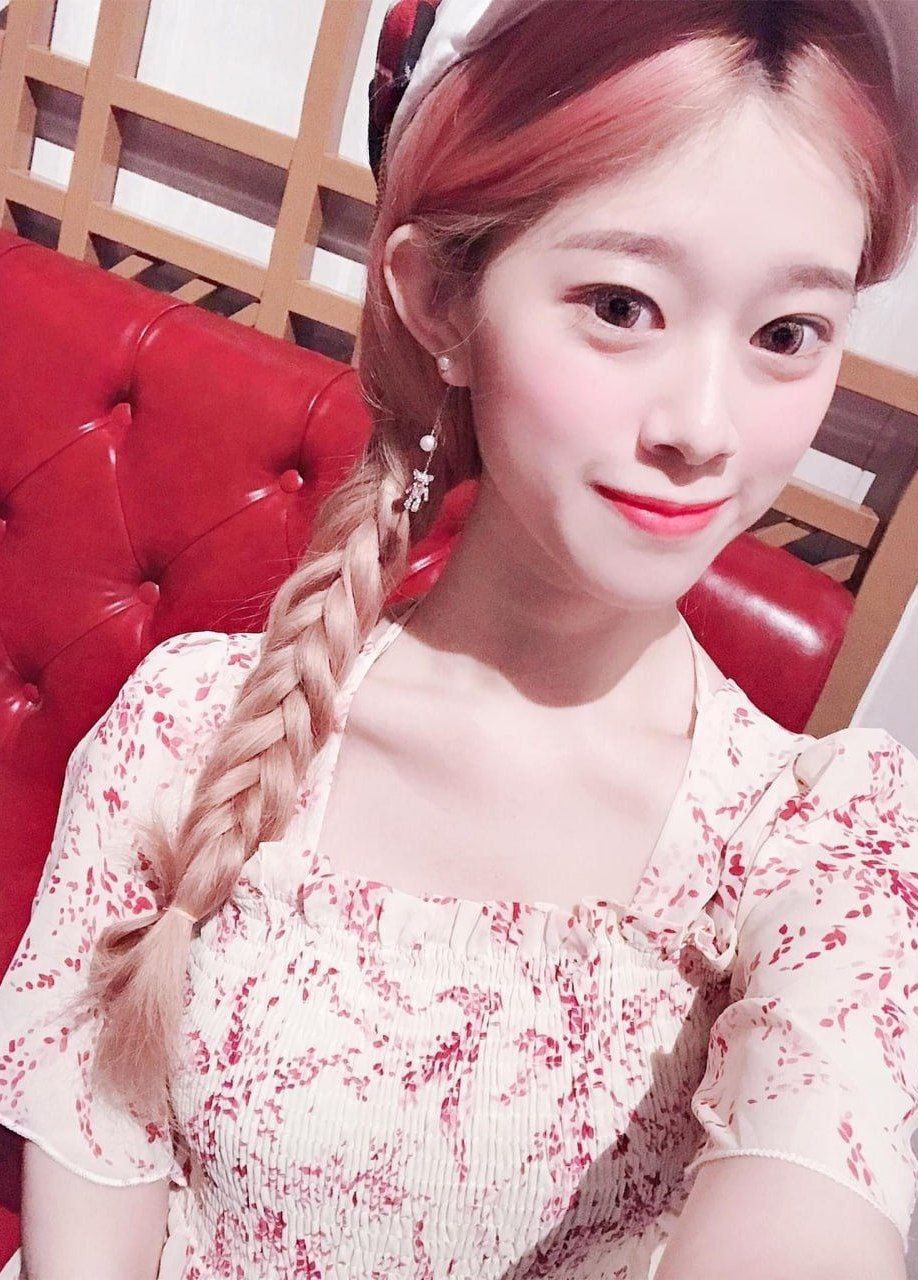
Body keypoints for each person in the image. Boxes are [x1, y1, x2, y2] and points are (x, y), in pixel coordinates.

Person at [1, 1, 917, 1276]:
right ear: (442, 298)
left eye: (785, 335)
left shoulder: (826, 845)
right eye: (621, 304)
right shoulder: (188, 731)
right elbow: (91, 1205)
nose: (704, 427)